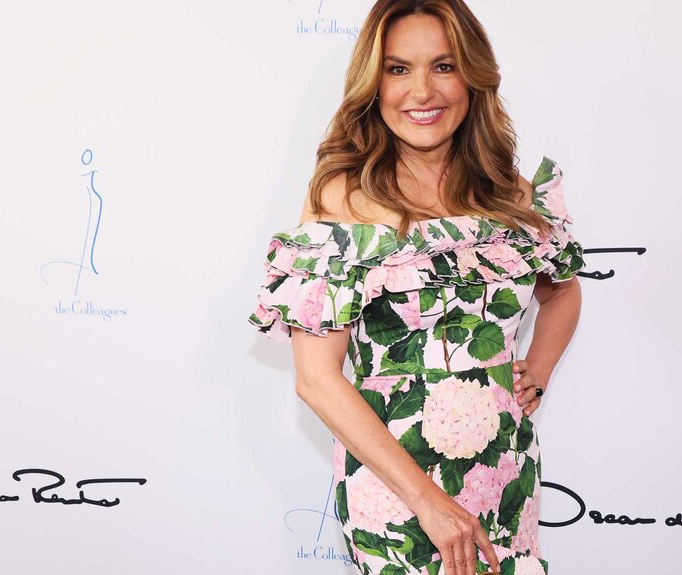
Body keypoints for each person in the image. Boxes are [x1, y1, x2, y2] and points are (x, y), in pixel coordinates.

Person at [249, 1, 584, 573]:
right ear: (373, 84)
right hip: (397, 489)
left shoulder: (514, 196)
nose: (422, 91)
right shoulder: (342, 200)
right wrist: (430, 503)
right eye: (399, 69)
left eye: (444, 66)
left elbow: (563, 290)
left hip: (504, 473)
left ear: (473, 77)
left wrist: (539, 370)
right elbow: (317, 380)